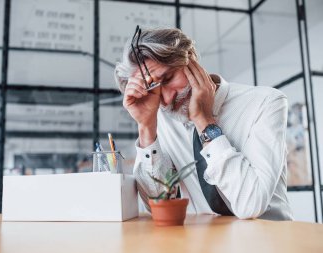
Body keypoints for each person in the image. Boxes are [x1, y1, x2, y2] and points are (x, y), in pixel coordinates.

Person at [114, 26, 293, 220]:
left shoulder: (266, 103)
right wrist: (146, 127)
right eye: (153, 88)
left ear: (190, 57)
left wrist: (204, 121)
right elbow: (155, 205)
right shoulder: (163, 119)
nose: (166, 99)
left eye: (168, 78)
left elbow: (250, 205)